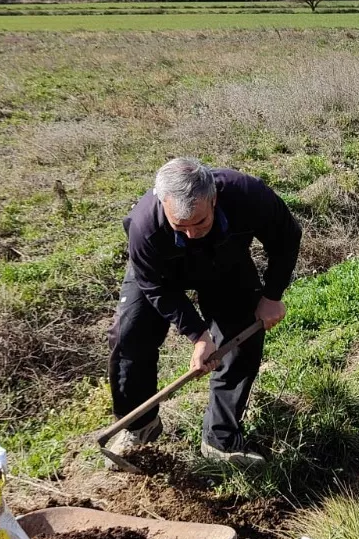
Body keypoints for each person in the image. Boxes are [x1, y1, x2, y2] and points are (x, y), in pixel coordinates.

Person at [107, 157, 302, 468]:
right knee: (129, 336)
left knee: (241, 339)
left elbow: (287, 237)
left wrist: (272, 296)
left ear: (213, 199)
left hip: (225, 264)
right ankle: (139, 426)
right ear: (163, 205)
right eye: (180, 226)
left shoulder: (247, 195)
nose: (191, 234)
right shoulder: (143, 226)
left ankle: (220, 439)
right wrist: (198, 334)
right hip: (163, 273)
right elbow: (155, 288)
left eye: (200, 223)